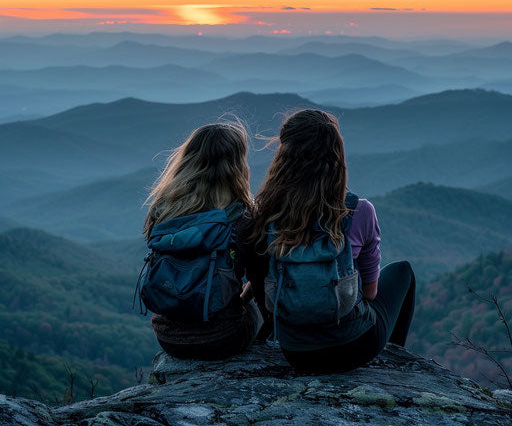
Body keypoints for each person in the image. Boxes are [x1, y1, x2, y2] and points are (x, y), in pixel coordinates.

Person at [247, 109, 415, 372]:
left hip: (295, 351)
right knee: (403, 271)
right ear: (337, 156)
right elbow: (370, 293)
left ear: (283, 155)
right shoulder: (359, 211)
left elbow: (262, 288)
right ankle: (393, 360)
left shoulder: (263, 214)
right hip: (355, 346)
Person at [142, 122, 262, 360]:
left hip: (169, 337)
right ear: (237, 165)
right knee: (254, 310)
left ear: (188, 159)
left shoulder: (163, 208)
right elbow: (259, 278)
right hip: (223, 336)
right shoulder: (242, 217)